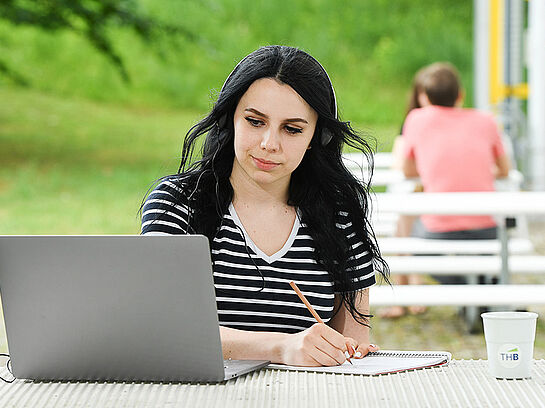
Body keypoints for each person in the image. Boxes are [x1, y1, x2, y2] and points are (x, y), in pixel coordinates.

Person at [141, 45, 389, 367]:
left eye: (292, 129)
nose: (269, 144)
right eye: (255, 122)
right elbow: (163, 328)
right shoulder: (177, 203)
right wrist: (281, 347)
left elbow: (355, 339)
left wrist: (352, 351)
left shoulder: (339, 213)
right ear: (231, 118)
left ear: (317, 137)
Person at [401, 62, 510, 284]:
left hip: (438, 229)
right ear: (461, 95)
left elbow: (407, 169)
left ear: (426, 98)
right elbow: (505, 170)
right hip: (486, 228)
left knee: (411, 238)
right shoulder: (486, 120)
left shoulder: (417, 119)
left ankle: (468, 289)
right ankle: (480, 290)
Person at [379, 67, 430, 319]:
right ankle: (406, 290)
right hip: (412, 191)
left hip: (428, 194)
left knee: (404, 220)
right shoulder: (412, 123)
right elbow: (401, 163)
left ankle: (408, 290)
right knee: (403, 220)